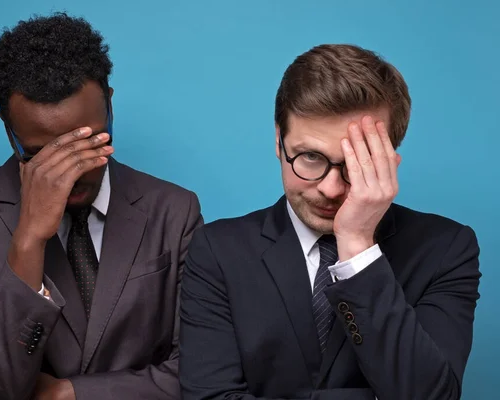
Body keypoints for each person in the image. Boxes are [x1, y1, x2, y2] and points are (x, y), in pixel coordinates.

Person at [0, 12, 202, 400]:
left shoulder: (175, 210)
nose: (68, 173)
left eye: (86, 143)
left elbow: (201, 371)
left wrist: (71, 394)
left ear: (110, 106)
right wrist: (29, 240)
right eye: (41, 155)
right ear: (8, 129)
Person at [178, 44, 481, 400]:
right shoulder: (218, 250)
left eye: (357, 163)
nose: (331, 188)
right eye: (310, 157)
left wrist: (356, 246)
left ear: (389, 158)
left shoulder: (446, 249)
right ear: (279, 141)